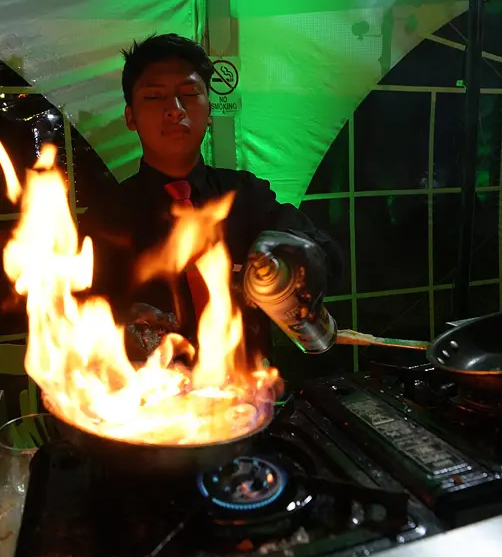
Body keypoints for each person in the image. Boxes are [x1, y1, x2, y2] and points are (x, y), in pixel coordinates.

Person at [80, 33, 342, 361]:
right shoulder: (105, 217)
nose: (175, 110)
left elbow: (328, 255)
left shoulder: (246, 194)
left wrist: (295, 259)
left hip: (251, 386)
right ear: (131, 117)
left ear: (209, 109)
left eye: (190, 94)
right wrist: (120, 319)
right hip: (154, 389)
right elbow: (75, 313)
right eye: (154, 97)